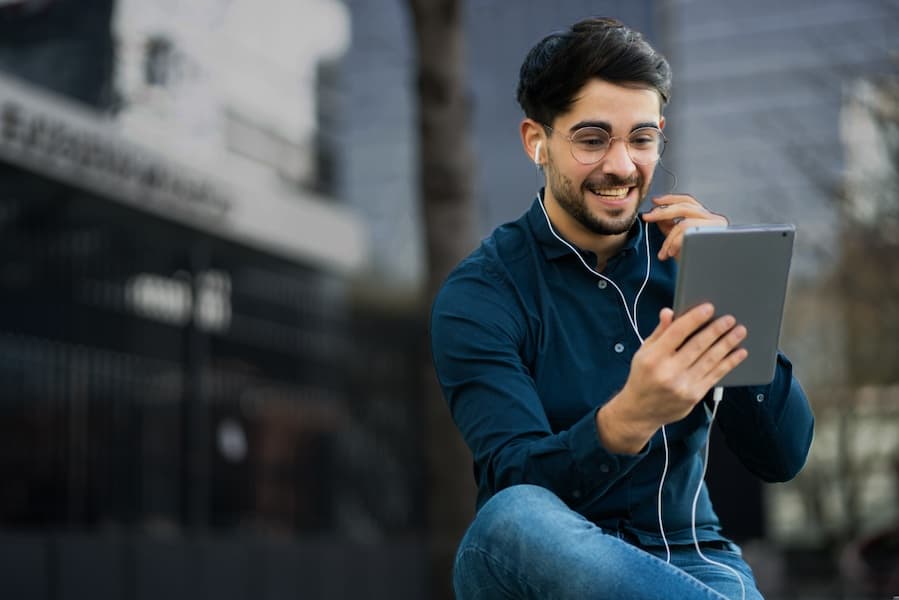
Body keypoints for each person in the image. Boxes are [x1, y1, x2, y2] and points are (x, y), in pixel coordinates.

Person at [429, 16, 815, 600]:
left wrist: (734, 291)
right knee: (512, 516)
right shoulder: (482, 295)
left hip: (693, 563)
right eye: (592, 139)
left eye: (641, 138)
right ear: (537, 141)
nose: (621, 165)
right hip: (538, 572)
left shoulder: (689, 261)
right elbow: (514, 483)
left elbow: (782, 456)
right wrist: (628, 418)